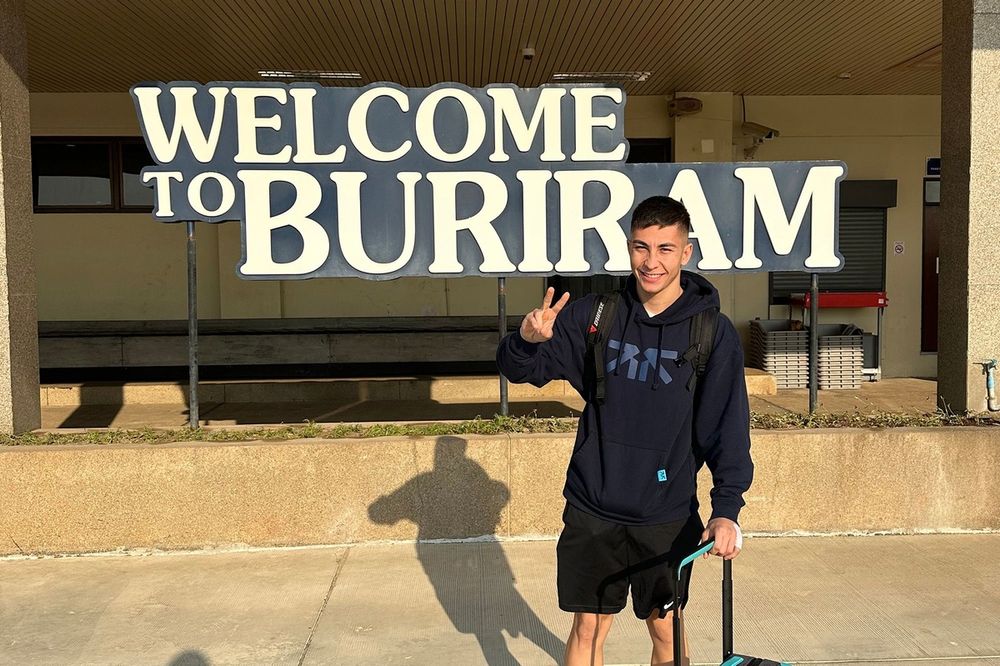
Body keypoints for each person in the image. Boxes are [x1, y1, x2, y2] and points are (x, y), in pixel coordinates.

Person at [496, 196, 753, 666]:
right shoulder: (597, 315)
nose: (651, 262)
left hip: (665, 512)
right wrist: (525, 341)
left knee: (666, 629)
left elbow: (728, 427)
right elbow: (521, 370)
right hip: (593, 504)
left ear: (686, 252)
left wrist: (727, 510)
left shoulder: (711, 332)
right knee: (588, 627)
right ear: (629, 247)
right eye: (641, 247)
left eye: (665, 249)